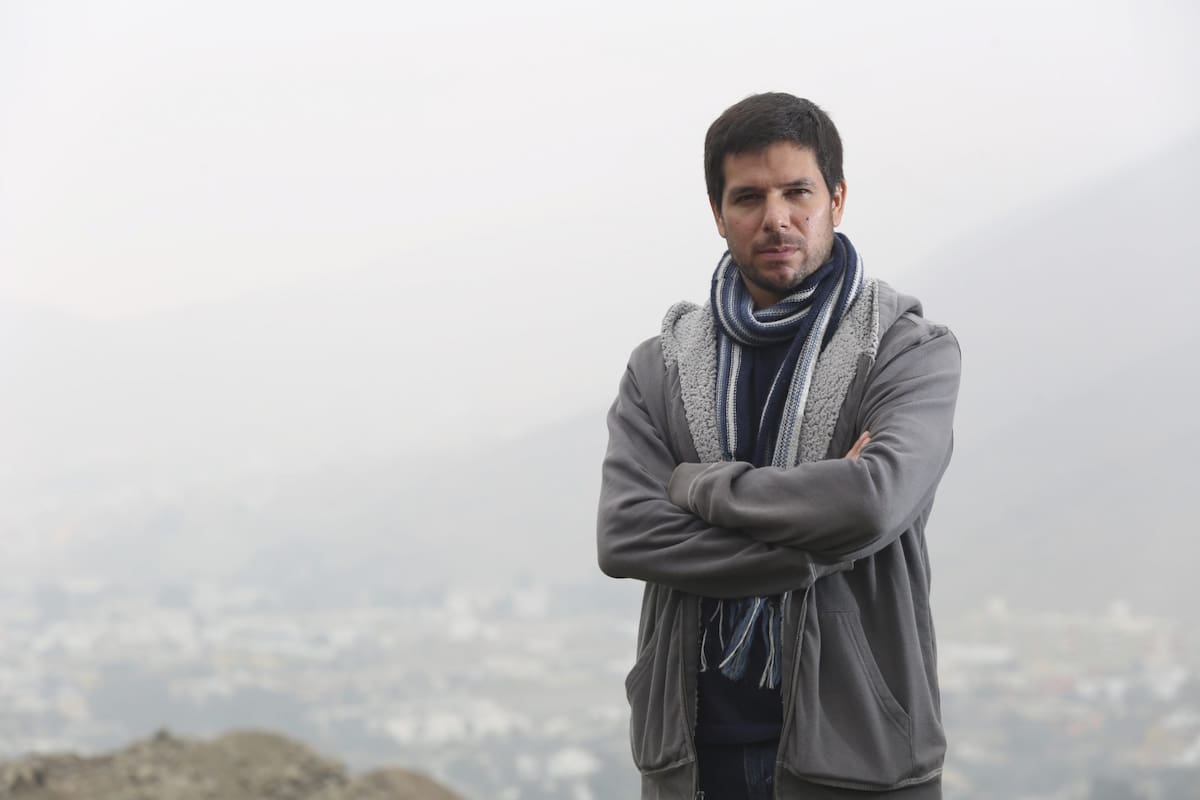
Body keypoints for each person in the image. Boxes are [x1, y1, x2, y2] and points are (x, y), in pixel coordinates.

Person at [596, 93, 961, 800]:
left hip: (860, 753)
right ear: (717, 212)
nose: (776, 219)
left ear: (838, 198)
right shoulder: (660, 367)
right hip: (692, 758)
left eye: (798, 191)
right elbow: (626, 535)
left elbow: (872, 502)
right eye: (748, 197)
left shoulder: (906, 351)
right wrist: (815, 542)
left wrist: (698, 488)